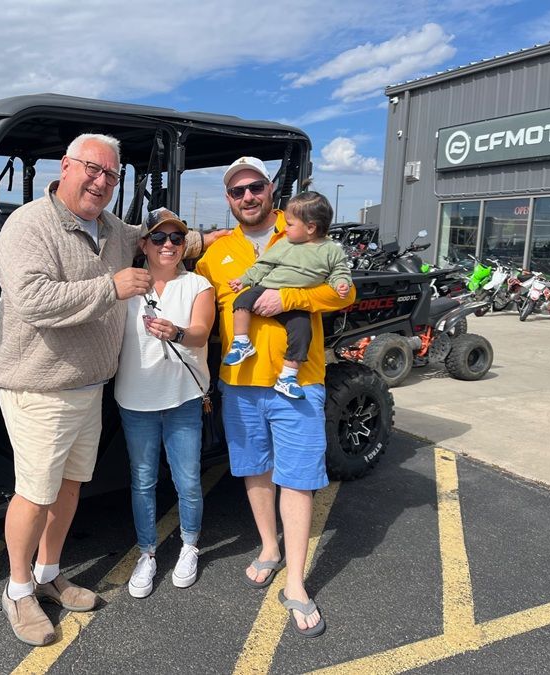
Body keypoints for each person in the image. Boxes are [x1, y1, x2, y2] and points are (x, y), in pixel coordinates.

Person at [0, 133, 223, 647]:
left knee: (69, 487)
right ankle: (18, 589)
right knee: (35, 493)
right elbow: (32, 299)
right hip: (41, 388)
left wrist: (219, 238)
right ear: (66, 166)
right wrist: (109, 288)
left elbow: (158, 236)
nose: (101, 181)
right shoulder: (29, 224)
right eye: (92, 169)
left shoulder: (114, 229)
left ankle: (48, 574)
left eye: (111, 175)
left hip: (89, 387)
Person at [195, 156, 356, 638]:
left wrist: (291, 298)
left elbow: (345, 294)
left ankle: (297, 583)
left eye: (255, 187)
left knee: (299, 480)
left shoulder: (305, 232)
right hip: (240, 385)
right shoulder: (216, 254)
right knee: (255, 470)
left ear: (270, 190)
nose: (247, 196)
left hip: (297, 383)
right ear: (228, 199)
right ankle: (269, 547)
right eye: (237, 190)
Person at [113, 208, 215, 598]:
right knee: (143, 481)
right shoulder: (127, 285)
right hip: (134, 398)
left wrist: (177, 332)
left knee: (187, 479)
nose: (168, 245)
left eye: (176, 238)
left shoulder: (197, 285)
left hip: (182, 397)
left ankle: (189, 545)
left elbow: (201, 332)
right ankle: (147, 552)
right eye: (158, 237)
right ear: (144, 244)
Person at [224, 187, 352, 399]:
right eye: (236, 191)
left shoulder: (330, 249)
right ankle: (242, 342)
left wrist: (341, 284)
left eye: (290, 224)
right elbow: (263, 266)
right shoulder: (284, 244)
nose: (285, 228)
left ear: (310, 228)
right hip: (266, 287)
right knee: (241, 301)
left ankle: (288, 376)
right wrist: (243, 280)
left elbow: (340, 274)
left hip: (297, 307)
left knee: (302, 331)